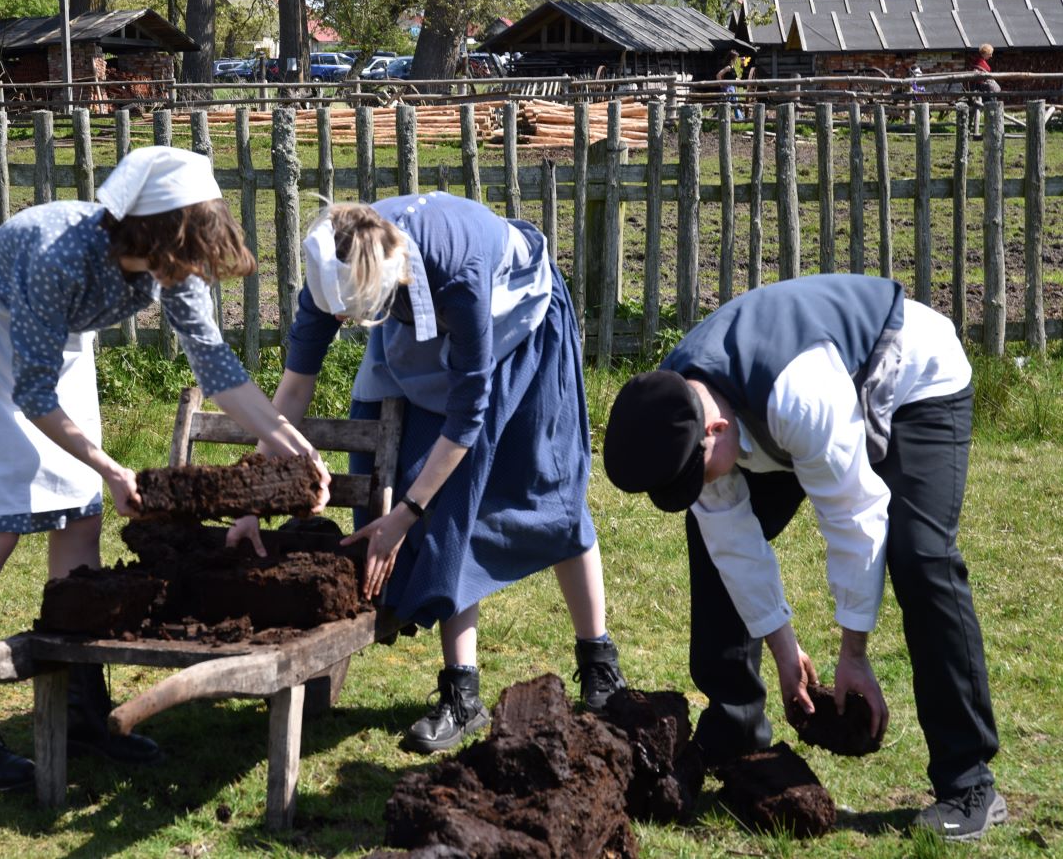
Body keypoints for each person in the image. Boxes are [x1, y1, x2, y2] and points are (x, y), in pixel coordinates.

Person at [0, 145, 331, 792]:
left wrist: (289, 441)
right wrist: (110, 466)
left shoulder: (172, 267)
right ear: (159, 234)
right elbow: (33, 393)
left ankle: (81, 708)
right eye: (194, 249)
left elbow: (215, 364)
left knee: (80, 518)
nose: (199, 265)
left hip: (51, 341)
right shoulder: (58, 256)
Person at [602, 275, 1004, 842]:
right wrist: (786, 651)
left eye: (698, 471)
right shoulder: (676, 401)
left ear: (713, 429)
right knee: (710, 533)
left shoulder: (798, 393)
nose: (701, 484)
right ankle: (738, 725)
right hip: (779, 420)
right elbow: (734, 544)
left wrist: (854, 653)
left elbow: (855, 516)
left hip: (911, 376)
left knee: (921, 557)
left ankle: (970, 781)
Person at [230, 193, 626, 753]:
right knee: (437, 497)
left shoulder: (459, 274)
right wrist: (253, 502)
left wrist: (405, 514)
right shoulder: (333, 266)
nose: (340, 323)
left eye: (351, 315)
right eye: (339, 315)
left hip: (513, 316)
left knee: (550, 489)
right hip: (415, 332)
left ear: (381, 286)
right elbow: (292, 391)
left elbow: (468, 416)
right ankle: (462, 694)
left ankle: (599, 661)